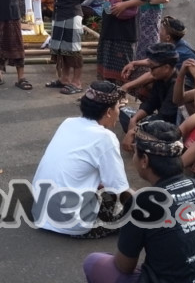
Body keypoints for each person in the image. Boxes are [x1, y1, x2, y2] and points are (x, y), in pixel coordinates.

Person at [83, 118, 195, 283]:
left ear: (145, 160)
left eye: (134, 151)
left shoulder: (142, 203)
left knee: (93, 262)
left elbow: (124, 266)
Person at [32, 81, 132, 239]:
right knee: (136, 212)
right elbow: (119, 189)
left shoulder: (68, 123)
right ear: (108, 112)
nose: (118, 114)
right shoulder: (105, 138)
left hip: (39, 211)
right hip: (72, 224)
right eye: (118, 108)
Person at [121, 16, 195, 103]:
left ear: (168, 37)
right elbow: (155, 60)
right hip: (178, 82)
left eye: (161, 30)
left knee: (150, 81)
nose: (158, 32)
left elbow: (152, 74)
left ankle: (160, 105)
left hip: (187, 88)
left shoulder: (180, 53)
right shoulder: (177, 43)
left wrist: (126, 86)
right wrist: (134, 63)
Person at [46, 0, 89, 95]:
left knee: (74, 50)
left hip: (72, 13)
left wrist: (72, 3)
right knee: (60, 49)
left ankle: (77, 83)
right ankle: (64, 79)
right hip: (58, 13)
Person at [120, 43, 179, 152]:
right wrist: (134, 119)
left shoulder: (177, 84)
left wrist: (134, 130)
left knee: (144, 129)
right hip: (159, 119)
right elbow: (151, 102)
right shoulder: (160, 78)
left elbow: (166, 116)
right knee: (124, 114)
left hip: (170, 126)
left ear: (166, 67)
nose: (150, 72)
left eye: (152, 67)